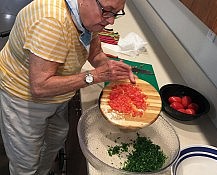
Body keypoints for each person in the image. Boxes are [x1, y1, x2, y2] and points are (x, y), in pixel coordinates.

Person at [0, 0, 135, 174]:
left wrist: (111, 68)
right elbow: (39, 87)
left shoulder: (87, 17)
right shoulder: (51, 22)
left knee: (54, 140)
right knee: (26, 162)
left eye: (117, 13)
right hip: (24, 98)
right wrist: (96, 76)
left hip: (58, 95)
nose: (111, 21)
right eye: (107, 11)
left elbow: (95, 53)